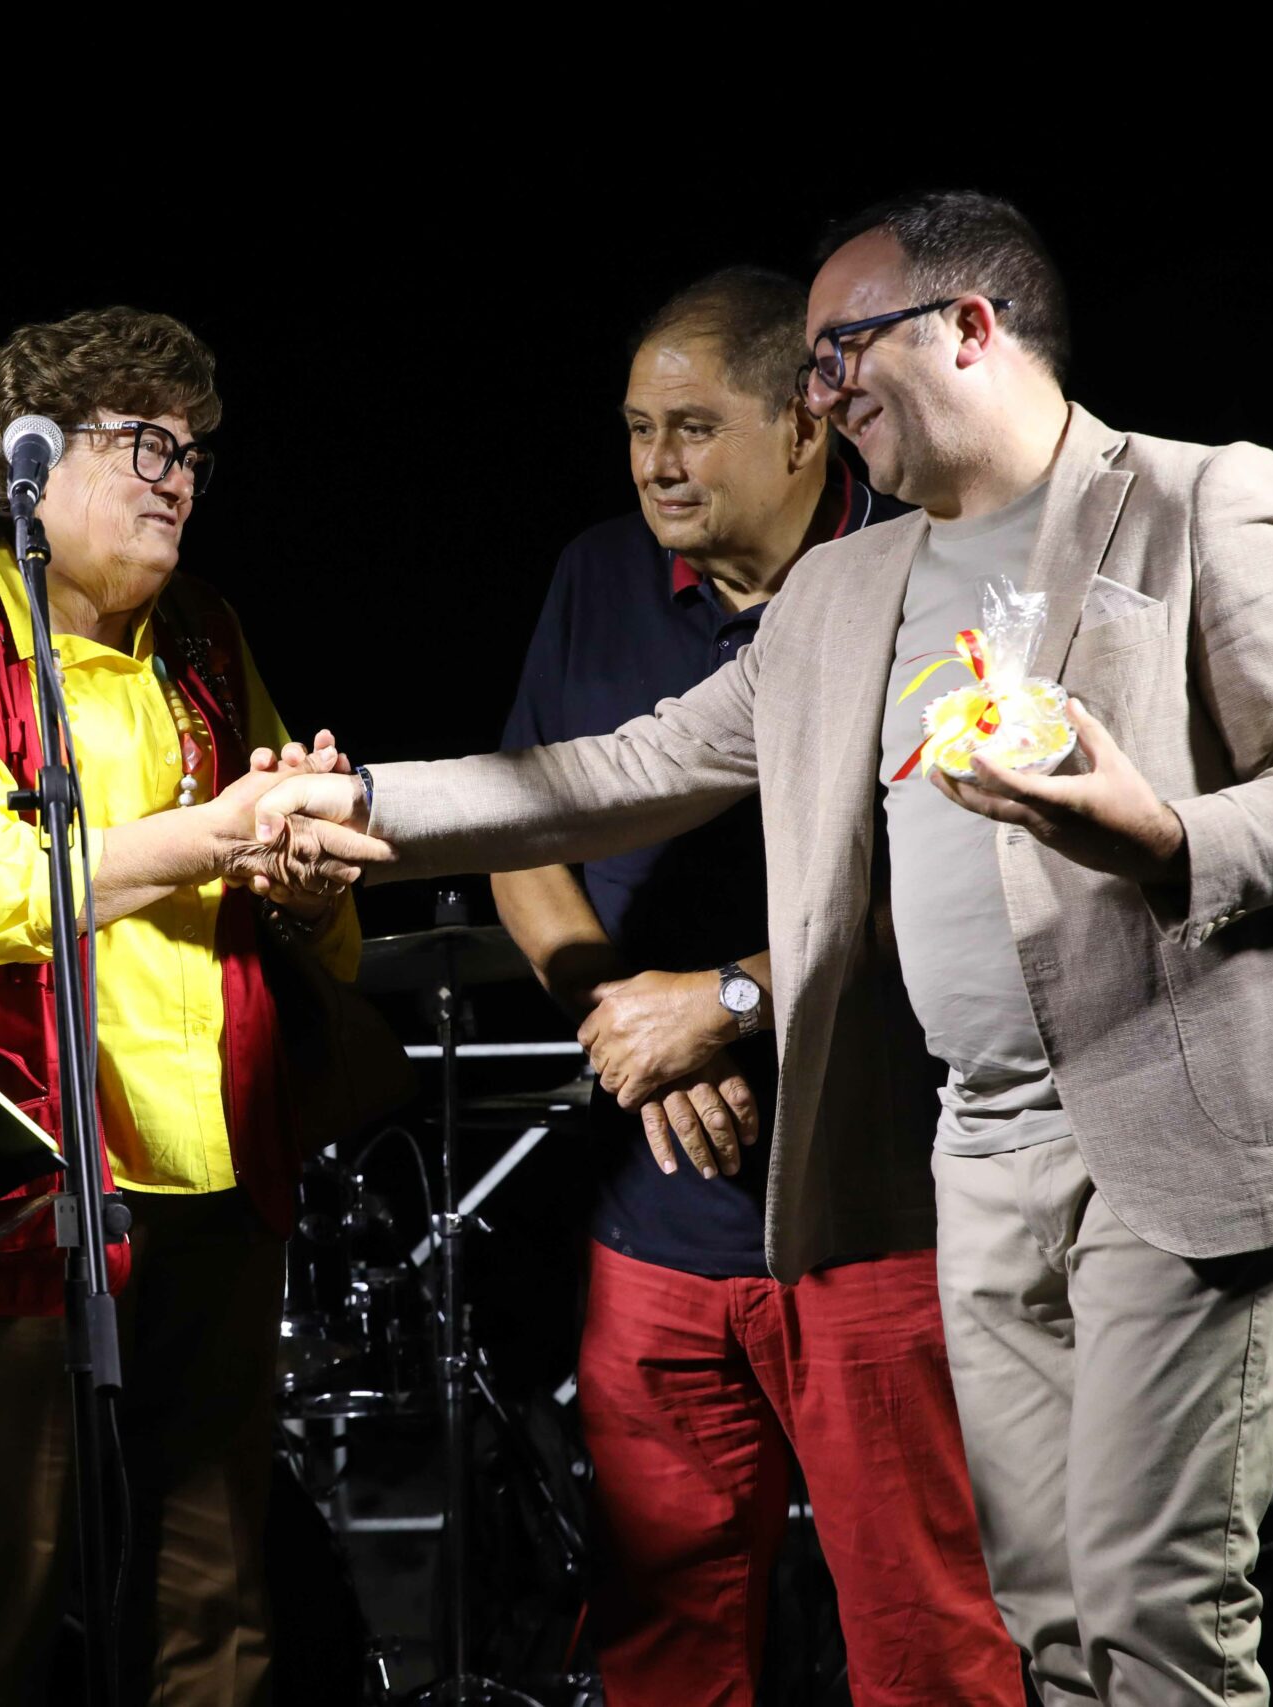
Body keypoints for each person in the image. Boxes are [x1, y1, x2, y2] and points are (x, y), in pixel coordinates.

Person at [260, 191, 1273, 1706]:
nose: (820, 393)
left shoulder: (1199, 497)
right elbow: (618, 769)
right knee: (1045, 1625)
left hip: (1174, 1118)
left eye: (841, 351)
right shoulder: (841, 589)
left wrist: (1162, 835)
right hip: (980, 1157)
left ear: (970, 326)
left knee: (1156, 1613)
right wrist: (357, 802)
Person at [0, 305, 357, 1707]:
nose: (180, 477)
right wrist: (219, 835)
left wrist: (304, 880)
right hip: (13, 1179)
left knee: (216, 1607)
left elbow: (307, 909)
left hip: (215, 1168)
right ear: (31, 459)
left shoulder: (206, 638)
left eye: (193, 454)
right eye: (144, 445)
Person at [492, 265, 1012, 1704]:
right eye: (637, 428)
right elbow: (525, 844)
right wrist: (624, 1021)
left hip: (877, 1218)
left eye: (693, 426)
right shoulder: (597, 575)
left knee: (928, 1645)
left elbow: (974, 875)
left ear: (804, 423)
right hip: (656, 1223)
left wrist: (724, 1001)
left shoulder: (925, 577)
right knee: (664, 1654)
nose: (656, 462)